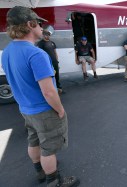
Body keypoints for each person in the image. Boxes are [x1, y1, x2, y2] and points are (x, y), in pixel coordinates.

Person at [1, 6, 79, 186]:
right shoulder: (36, 54)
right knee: (49, 148)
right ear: (30, 24)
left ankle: (40, 171)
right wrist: (59, 110)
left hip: (26, 110)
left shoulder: (7, 52)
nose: (42, 28)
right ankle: (53, 180)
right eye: (39, 24)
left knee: (33, 140)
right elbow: (48, 91)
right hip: (44, 110)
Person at [37, 30, 64, 94]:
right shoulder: (40, 43)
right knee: (50, 76)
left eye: (48, 35)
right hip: (47, 63)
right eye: (45, 35)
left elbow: (55, 52)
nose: (47, 36)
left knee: (56, 75)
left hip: (54, 62)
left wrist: (57, 61)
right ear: (43, 35)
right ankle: (52, 90)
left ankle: (59, 88)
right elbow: (40, 54)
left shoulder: (52, 43)